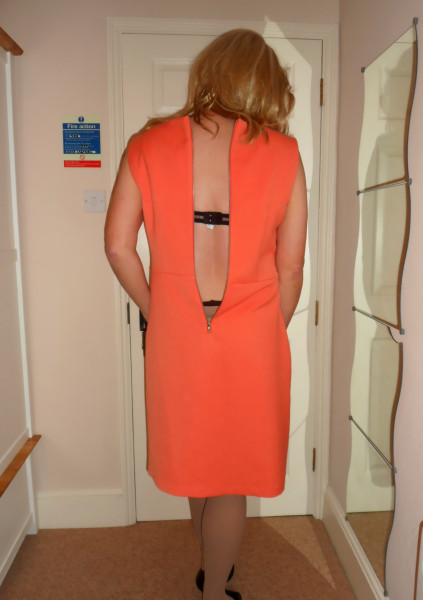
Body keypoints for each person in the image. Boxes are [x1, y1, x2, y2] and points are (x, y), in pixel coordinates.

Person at [104, 29, 307, 600]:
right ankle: (216, 590)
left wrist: (160, 311)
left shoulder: (147, 145)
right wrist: (266, 329)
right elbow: (291, 269)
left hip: (178, 336)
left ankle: (212, 569)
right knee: (231, 475)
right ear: (264, 85)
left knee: (198, 461)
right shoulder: (284, 154)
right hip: (253, 338)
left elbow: (118, 247)